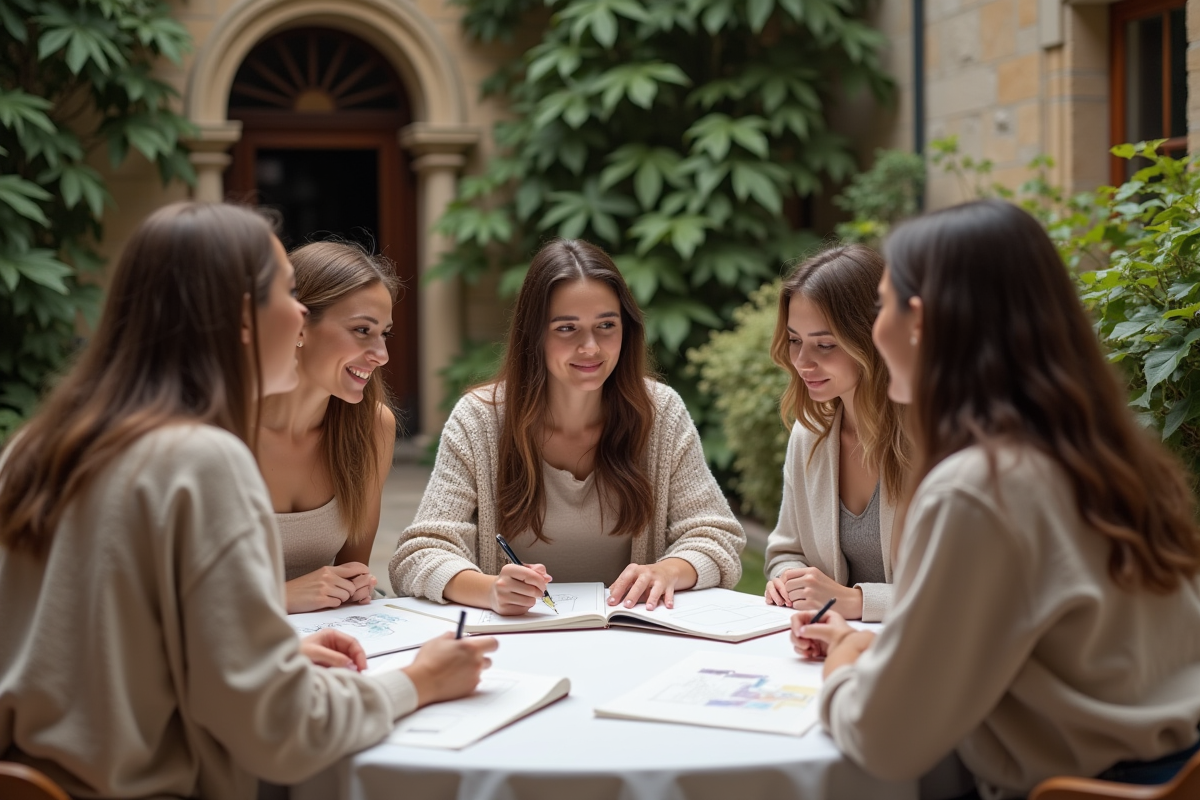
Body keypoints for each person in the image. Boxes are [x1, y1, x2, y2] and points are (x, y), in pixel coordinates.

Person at [0, 203, 497, 800]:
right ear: (242, 319)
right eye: (287, 293)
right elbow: (280, 731)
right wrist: (420, 682)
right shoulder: (204, 460)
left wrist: (271, 647)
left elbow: (100, 641)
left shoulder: (36, 446)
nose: (299, 316)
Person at [792, 199, 1200, 798]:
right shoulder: (1102, 455)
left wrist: (844, 665)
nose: (873, 332)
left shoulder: (979, 490)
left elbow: (885, 739)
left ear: (920, 323)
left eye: (881, 306)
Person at [390, 238, 745, 614]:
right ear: (535, 335)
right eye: (566, 328)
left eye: (606, 325)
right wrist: (490, 590)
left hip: (631, 640)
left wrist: (670, 571)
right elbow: (419, 553)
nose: (590, 347)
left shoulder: (660, 412)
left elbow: (717, 535)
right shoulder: (479, 419)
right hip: (517, 644)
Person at [763, 245, 908, 622]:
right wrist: (787, 580)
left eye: (825, 345)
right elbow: (785, 551)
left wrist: (857, 602)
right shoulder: (810, 435)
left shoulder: (936, 440)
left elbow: (965, 590)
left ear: (874, 338)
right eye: (795, 340)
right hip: (835, 648)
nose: (802, 362)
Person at [258, 241, 398, 613]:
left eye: (385, 333)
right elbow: (164, 588)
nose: (381, 355)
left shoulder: (371, 428)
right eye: (362, 330)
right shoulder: (218, 430)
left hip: (324, 641)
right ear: (299, 324)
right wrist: (280, 597)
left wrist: (355, 587)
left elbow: (351, 574)